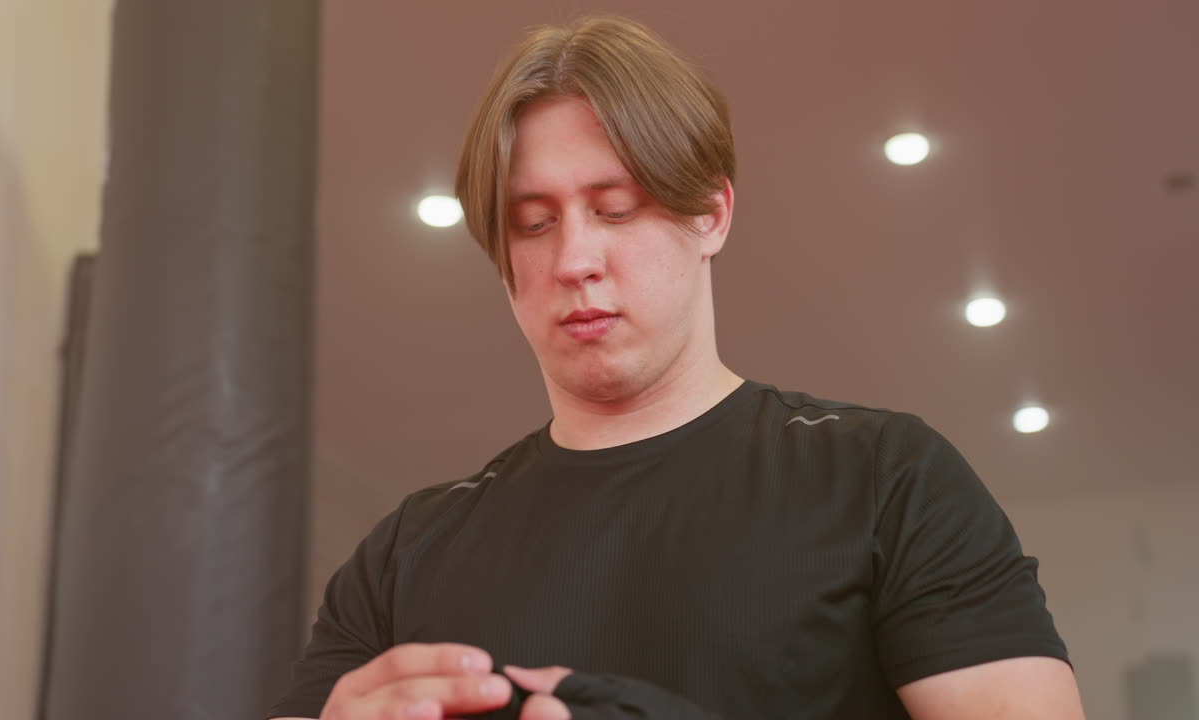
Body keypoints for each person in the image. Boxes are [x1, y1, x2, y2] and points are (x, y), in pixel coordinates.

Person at [268, 15, 1085, 720]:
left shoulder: (884, 479)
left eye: (616, 209)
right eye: (532, 224)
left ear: (710, 214)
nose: (575, 258)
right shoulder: (407, 551)